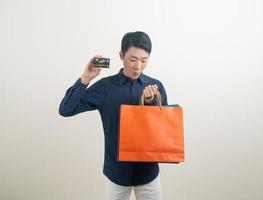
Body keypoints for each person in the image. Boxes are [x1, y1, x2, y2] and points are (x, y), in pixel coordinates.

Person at [59, 31, 168, 200]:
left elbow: (163, 130)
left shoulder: (156, 87)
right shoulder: (104, 87)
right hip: (116, 173)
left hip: (148, 174)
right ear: (121, 55)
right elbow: (66, 110)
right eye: (132, 59)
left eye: (144, 60)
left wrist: (151, 103)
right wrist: (86, 78)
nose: (138, 66)